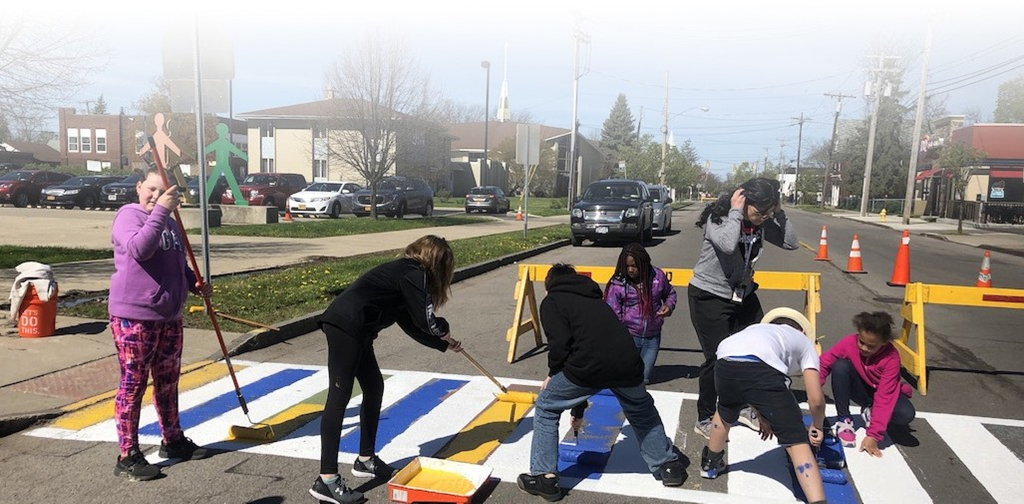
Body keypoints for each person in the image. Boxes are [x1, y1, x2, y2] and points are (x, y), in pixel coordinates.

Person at [311, 235, 464, 504]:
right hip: (347, 325)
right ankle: (327, 480)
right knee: (338, 398)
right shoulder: (414, 273)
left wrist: (443, 344)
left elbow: (411, 324)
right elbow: (427, 321)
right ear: (437, 262)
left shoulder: (404, 276)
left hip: (359, 330)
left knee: (374, 387)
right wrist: (443, 329)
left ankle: (365, 459)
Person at [517, 264, 685, 502]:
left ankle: (545, 477)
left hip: (588, 366)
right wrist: (578, 406)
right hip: (627, 362)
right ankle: (668, 466)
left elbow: (560, 346)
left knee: (546, 406)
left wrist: (553, 374)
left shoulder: (553, 301)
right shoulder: (596, 300)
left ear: (549, 285)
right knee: (641, 411)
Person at [109, 166, 210, 481]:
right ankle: (127, 455)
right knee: (133, 385)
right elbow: (140, 248)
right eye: (151, 189)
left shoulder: (171, 224)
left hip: (169, 317)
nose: (155, 196)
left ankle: (173, 440)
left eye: (163, 192)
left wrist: (194, 283)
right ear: (139, 187)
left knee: (168, 383)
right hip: (135, 316)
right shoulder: (129, 215)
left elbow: (176, 264)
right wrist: (162, 210)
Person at [688, 177, 799, 438]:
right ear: (743, 201)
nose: (763, 217)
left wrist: (779, 212)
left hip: (743, 295)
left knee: (757, 351)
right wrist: (737, 212)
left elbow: (791, 243)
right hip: (709, 295)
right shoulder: (719, 219)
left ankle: (744, 406)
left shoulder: (759, 224)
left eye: (767, 212)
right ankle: (704, 416)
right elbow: (727, 245)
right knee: (718, 358)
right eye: (758, 211)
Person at [699, 307, 827, 504]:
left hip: (725, 362)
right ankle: (817, 501)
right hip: (760, 370)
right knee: (796, 439)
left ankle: (710, 464)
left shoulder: (756, 330)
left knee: (725, 411)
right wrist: (817, 426)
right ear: (802, 331)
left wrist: (762, 414)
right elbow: (816, 399)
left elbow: (747, 379)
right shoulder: (804, 341)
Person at [819, 311, 915, 456]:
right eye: (861, 342)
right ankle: (844, 419)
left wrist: (874, 435)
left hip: (880, 391)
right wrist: (814, 387)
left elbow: (885, 396)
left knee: (906, 414)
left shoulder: (891, 358)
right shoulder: (849, 342)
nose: (864, 348)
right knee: (840, 366)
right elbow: (824, 363)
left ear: (884, 343)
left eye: (871, 346)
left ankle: (871, 411)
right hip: (860, 389)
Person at [604, 243, 677, 384]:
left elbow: (670, 294)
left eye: (635, 266)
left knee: (643, 379)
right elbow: (612, 314)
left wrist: (668, 306)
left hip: (652, 338)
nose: (630, 270)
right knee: (627, 379)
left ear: (644, 263)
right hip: (629, 337)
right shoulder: (618, 283)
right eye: (627, 266)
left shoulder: (657, 276)